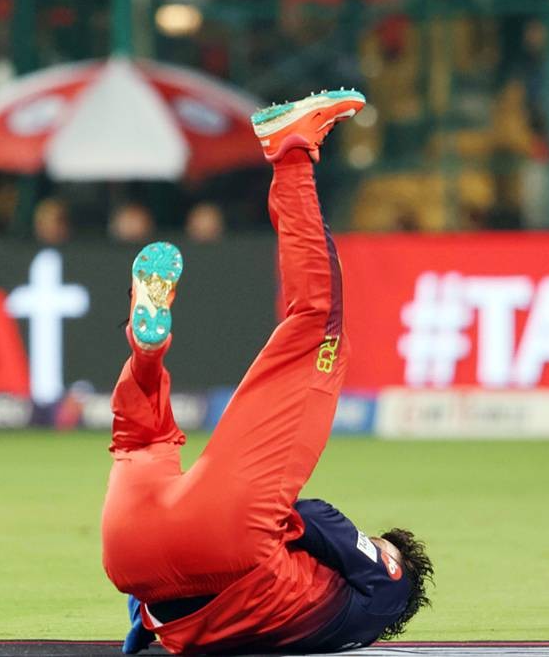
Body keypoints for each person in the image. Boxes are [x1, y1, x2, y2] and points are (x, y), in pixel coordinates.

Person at [103, 90, 434, 655]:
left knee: (318, 325)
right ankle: (143, 353)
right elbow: (145, 629)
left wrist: (367, 547)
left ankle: (291, 151)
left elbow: (315, 516)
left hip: (224, 539)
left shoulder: (387, 600)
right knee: (139, 440)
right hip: (133, 560)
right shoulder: (327, 623)